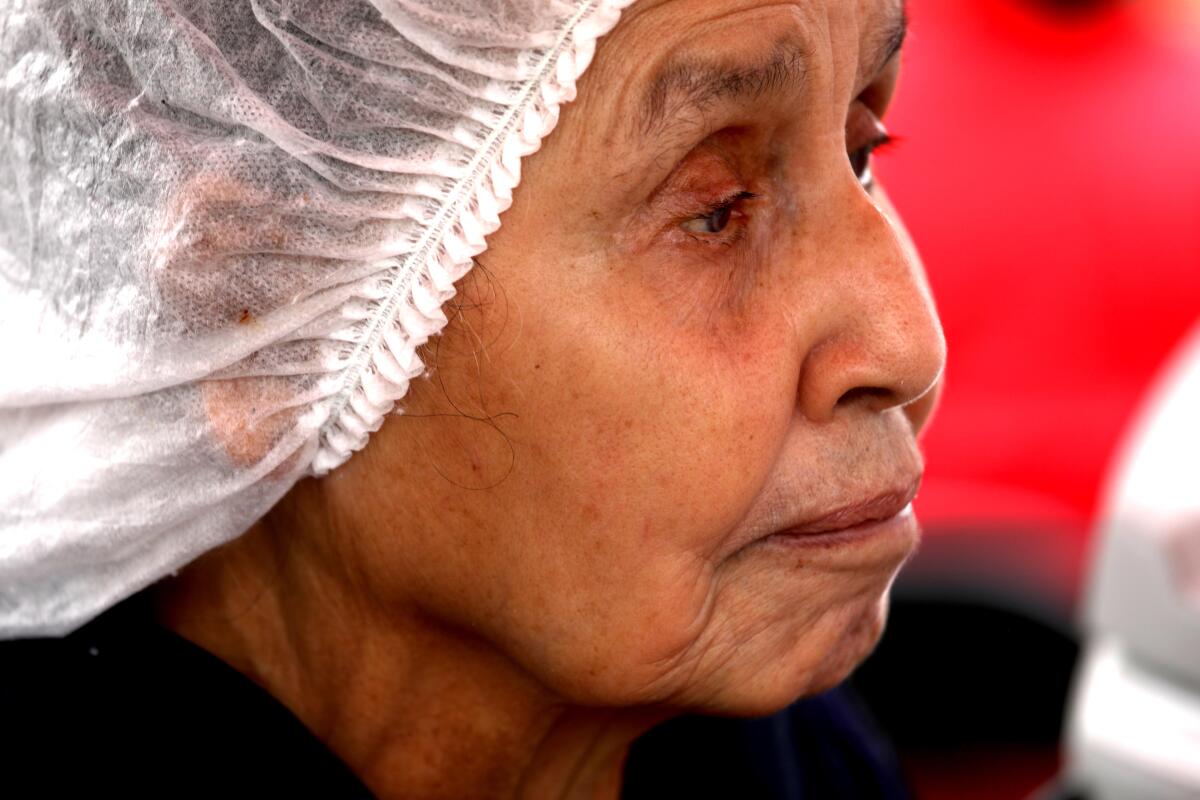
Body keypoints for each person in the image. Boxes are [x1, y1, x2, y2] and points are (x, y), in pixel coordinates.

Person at [0, 0, 944, 797]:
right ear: (252, 302)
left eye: (863, 150)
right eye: (713, 210)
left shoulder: (770, 749)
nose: (909, 344)